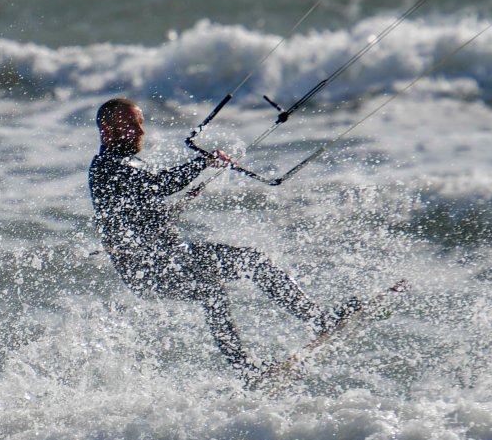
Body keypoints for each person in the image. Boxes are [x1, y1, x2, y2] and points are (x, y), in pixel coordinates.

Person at [88, 98, 357, 383]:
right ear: (107, 129)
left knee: (247, 266)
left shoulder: (131, 163)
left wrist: (172, 206)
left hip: (167, 256)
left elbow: (143, 207)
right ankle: (248, 367)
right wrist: (202, 161)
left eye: (140, 124)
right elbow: (161, 184)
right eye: (130, 125)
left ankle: (314, 322)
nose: (140, 132)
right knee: (214, 287)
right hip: (146, 267)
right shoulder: (106, 167)